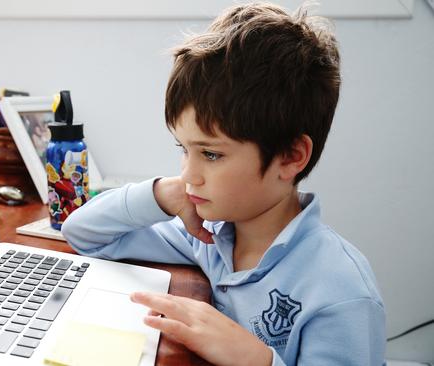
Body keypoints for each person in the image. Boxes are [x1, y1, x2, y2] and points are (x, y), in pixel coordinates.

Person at [61, 3, 386, 365]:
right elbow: (82, 233)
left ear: (291, 156)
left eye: (211, 154)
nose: (188, 174)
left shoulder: (340, 289)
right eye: (184, 149)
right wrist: (162, 195)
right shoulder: (207, 235)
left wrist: (257, 359)